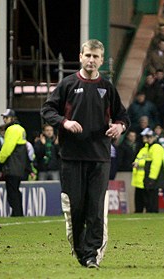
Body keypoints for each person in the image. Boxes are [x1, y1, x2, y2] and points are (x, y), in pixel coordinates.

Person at [40, 39, 130, 268]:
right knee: (75, 207)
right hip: (71, 157)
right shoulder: (68, 84)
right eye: (88, 55)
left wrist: (119, 126)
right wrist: (64, 122)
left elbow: (123, 116)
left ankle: (92, 254)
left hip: (100, 157)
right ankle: (81, 251)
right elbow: (47, 110)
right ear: (81, 56)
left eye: (95, 57)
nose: (91, 60)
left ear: (101, 60)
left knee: (96, 208)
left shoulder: (107, 87)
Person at [0, 108, 28, 217]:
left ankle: (17, 214)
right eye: (4, 117)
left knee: (12, 193)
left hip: (12, 166)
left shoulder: (12, 129)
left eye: (6, 117)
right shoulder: (21, 129)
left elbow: (7, 149)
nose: (4, 120)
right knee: (16, 191)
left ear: (12, 118)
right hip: (19, 166)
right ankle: (18, 213)